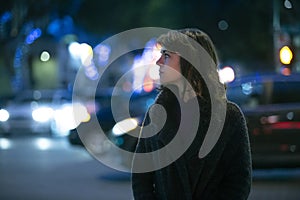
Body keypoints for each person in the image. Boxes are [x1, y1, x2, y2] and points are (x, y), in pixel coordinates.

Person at [131, 28, 252, 200]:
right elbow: (141, 176)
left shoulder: (229, 117)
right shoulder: (157, 115)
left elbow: (239, 181)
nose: (158, 62)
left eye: (166, 55)